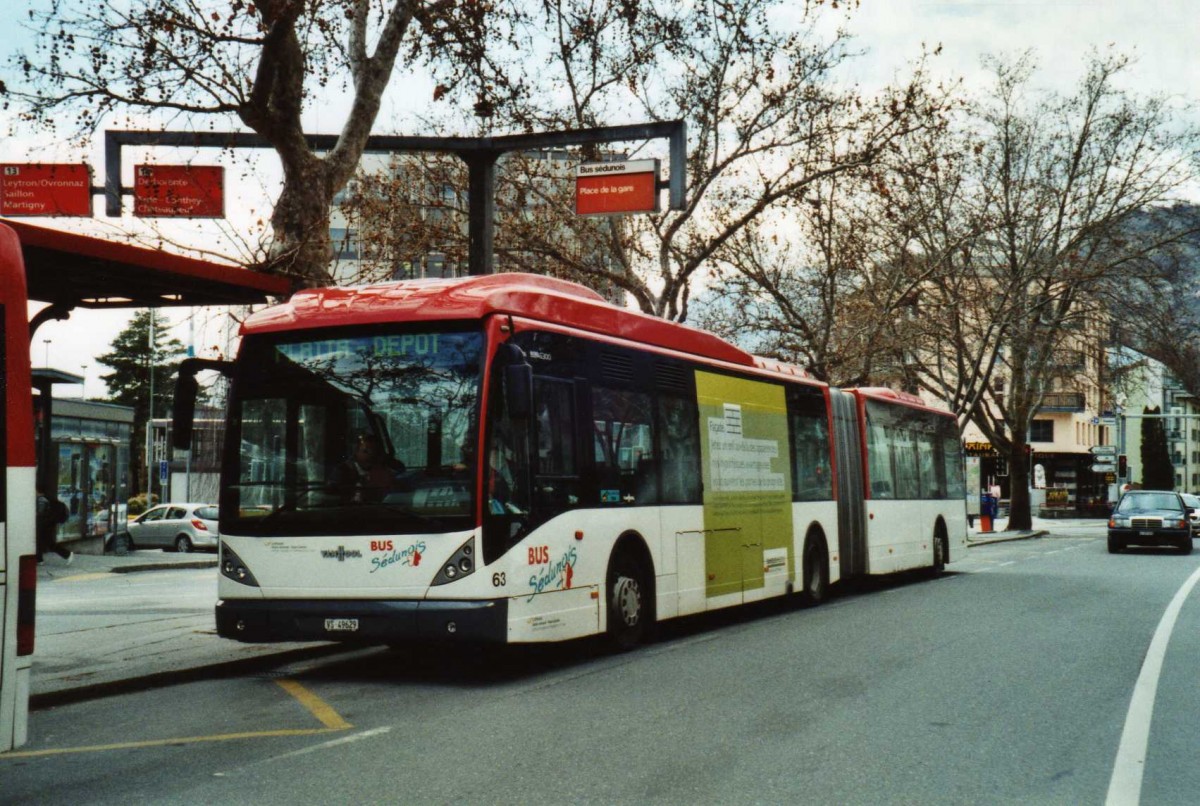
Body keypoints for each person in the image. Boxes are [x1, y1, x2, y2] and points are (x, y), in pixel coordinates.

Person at [332, 434, 398, 503]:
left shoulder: (386, 471)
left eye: (375, 451)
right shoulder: (342, 471)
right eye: (365, 451)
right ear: (356, 452)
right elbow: (333, 497)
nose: (371, 454)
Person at [36, 485, 72, 564]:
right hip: (47, 525)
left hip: (45, 525)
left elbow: (40, 514)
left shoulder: (41, 500)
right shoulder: (44, 499)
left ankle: (67, 554)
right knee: (42, 542)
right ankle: (39, 559)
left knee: (48, 543)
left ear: (38, 491)